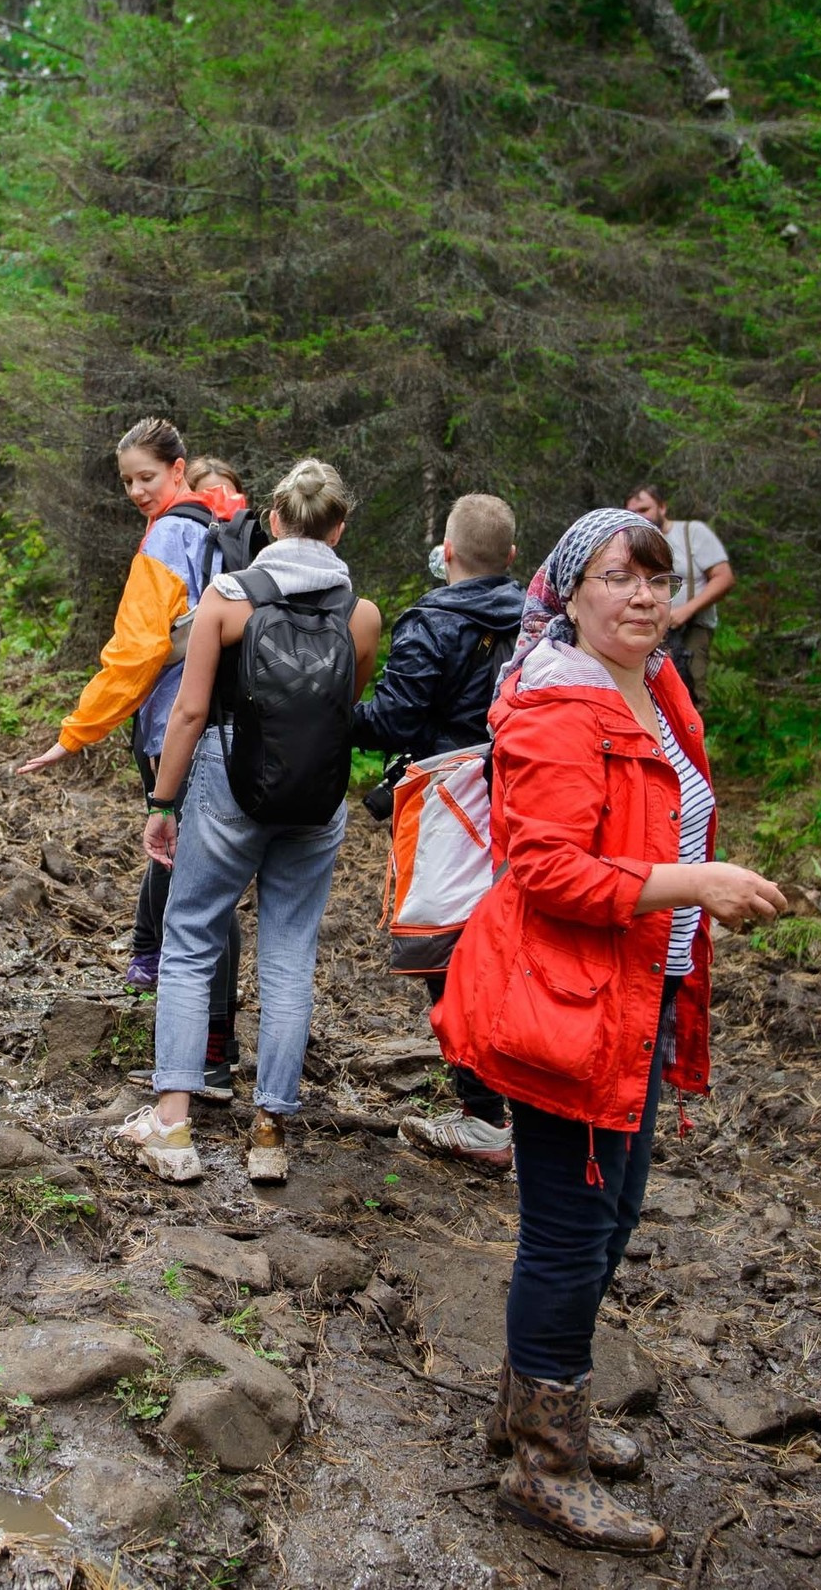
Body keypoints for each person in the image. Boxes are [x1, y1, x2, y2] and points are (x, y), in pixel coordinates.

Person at [435, 508, 782, 1552]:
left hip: (636, 990)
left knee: (612, 1215)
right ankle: (545, 1467)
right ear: (570, 591)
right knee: (570, 1230)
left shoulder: (655, 685)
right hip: (564, 1000)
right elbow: (547, 869)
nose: (643, 596)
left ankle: (528, 1413)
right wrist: (696, 884)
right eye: (619, 577)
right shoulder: (556, 702)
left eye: (658, 578)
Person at [118, 459, 382, 1186]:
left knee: (190, 939)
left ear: (272, 521)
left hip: (228, 780)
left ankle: (173, 1125)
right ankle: (269, 1132)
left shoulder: (227, 600)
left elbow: (190, 712)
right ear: (339, 528)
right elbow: (342, 706)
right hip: (315, 797)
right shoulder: (360, 614)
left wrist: (162, 803)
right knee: (290, 953)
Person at [16, 419, 245, 1100]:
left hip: (177, 728)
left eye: (147, 476)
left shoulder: (171, 534)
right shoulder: (223, 525)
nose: (138, 491)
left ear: (179, 469)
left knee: (193, 892)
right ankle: (212, 1046)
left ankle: (201, 1057)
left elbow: (137, 651)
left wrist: (76, 732)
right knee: (211, 885)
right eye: (127, 482)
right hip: (229, 723)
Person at [347, 493, 528, 1172]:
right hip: (521, 793)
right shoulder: (541, 620)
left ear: (446, 552)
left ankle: (483, 1117)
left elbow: (394, 720)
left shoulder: (433, 621)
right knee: (510, 944)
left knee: (444, 952)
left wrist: (325, 707)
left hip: (447, 799)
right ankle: (520, 1106)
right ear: (510, 556)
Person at [623, 484, 732, 704]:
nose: (639, 516)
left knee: (689, 692)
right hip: (648, 627)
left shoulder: (692, 533)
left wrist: (686, 611)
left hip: (690, 629)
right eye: (632, 512)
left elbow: (724, 578)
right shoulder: (632, 543)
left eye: (644, 509)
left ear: (662, 507)